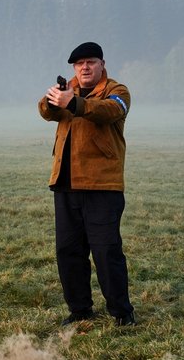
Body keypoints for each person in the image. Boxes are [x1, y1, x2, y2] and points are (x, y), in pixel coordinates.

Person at [38, 41, 136, 326]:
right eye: (79, 63)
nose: (84, 67)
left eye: (91, 62)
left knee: (106, 251)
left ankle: (121, 312)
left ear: (102, 64)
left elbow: (108, 112)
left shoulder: (117, 92)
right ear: (73, 68)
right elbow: (46, 112)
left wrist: (74, 103)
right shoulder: (68, 89)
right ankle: (80, 309)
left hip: (102, 187)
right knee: (68, 251)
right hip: (65, 184)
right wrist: (51, 100)